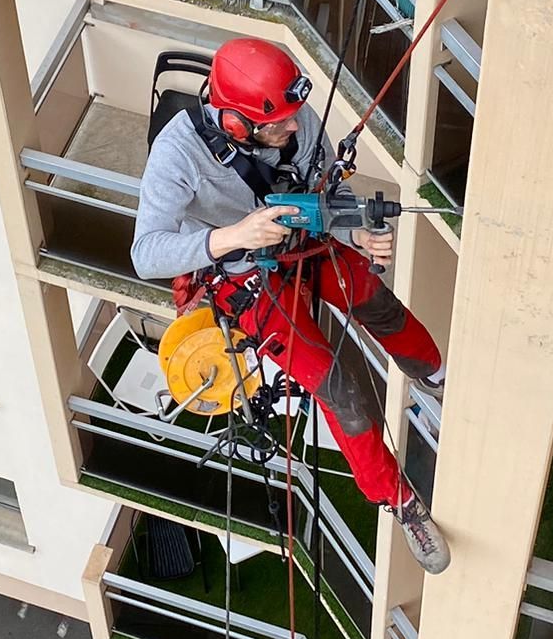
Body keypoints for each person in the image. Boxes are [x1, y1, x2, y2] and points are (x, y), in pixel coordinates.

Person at [132, 37, 451, 574]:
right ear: (235, 123)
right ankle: (399, 500)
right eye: (280, 123)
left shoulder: (294, 118)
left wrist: (359, 233)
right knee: (335, 384)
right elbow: (146, 253)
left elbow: (326, 194)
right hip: (246, 278)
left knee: (378, 304)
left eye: (294, 116)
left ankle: (435, 374)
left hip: (304, 242)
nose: (296, 130)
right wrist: (232, 237)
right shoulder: (177, 154)